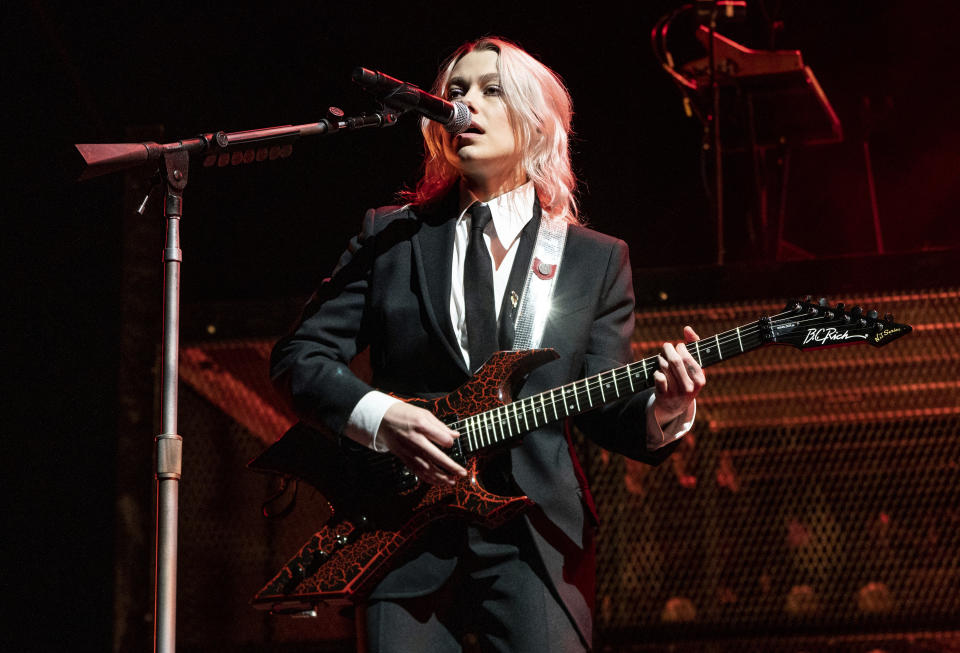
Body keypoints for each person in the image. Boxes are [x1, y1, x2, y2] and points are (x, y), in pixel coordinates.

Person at [271, 36, 705, 653]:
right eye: (454, 91)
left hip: (535, 537)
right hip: (403, 531)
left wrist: (667, 408)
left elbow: (603, 405)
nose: (463, 103)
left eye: (490, 90)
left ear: (533, 121)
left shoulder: (594, 259)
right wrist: (384, 416)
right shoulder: (391, 236)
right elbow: (299, 358)